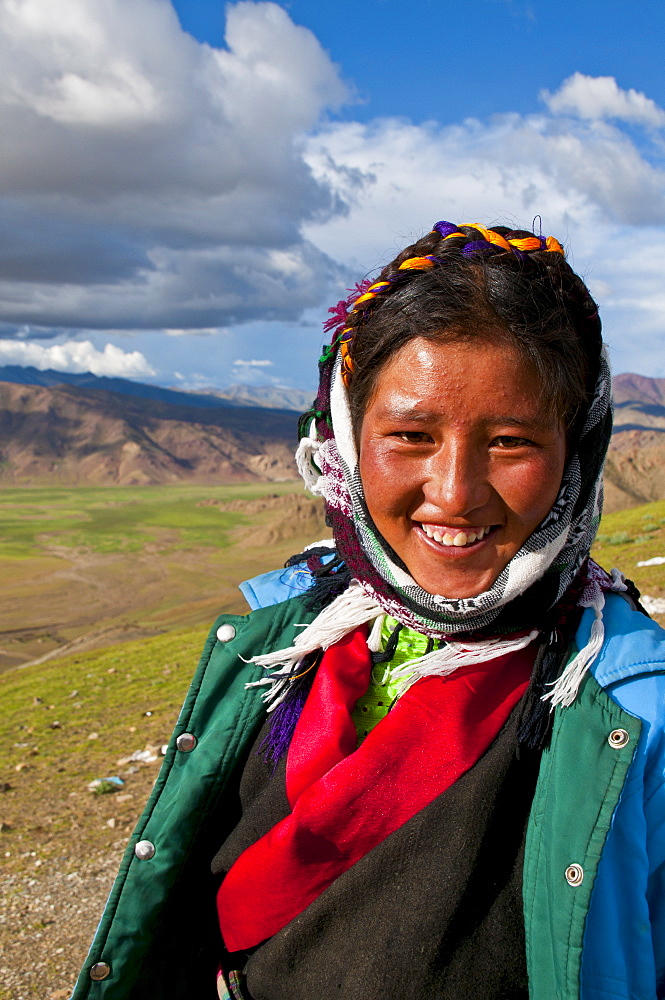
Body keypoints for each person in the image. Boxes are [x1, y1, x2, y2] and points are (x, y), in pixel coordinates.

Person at [71, 222, 665, 1000]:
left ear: (576, 448)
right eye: (410, 435)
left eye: (512, 441)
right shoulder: (276, 640)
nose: (454, 493)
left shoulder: (631, 713)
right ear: (348, 439)